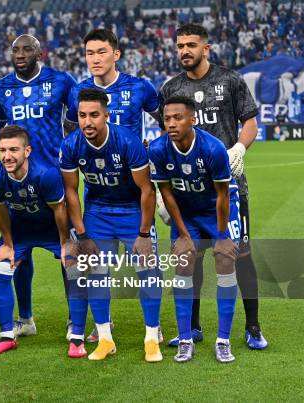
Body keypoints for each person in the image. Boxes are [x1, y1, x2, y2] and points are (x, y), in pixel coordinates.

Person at [159, 23, 267, 349]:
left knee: (240, 255)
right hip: (187, 193)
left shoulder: (229, 80)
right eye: (180, 46)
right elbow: (168, 133)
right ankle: (192, 328)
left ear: (206, 48)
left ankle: (253, 327)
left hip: (229, 187)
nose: (185, 51)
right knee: (190, 257)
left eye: (191, 45)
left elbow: (250, 121)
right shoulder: (171, 88)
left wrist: (239, 149)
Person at [66, 28, 161, 343]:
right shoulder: (77, 91)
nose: (95, 58)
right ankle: (102, 326)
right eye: (90, 53)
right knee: (97, 271)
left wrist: (153, 149)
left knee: (146, 266)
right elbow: (72, 130)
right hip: (98, 197)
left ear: (116, 54)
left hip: (136, 193)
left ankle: (154, 327)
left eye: (101, 52)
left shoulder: (139, 87)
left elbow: (166, 120)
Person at [0, 34, 76, 337]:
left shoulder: (62, 81)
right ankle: (25, 320)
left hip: (54, 180)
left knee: (69, 255)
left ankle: (74, 319)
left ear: (40, 53)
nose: (21, 54)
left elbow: (78, 117)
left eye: (27, 49)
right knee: (18, 256)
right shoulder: (1, 88)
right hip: (16, 184)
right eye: (16, 50)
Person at [149, 96, 241, 363]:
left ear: (193, 119)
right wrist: (184, 235)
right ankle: (186, 338)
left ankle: (223, 340)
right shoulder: (158, 149)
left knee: (225, 261)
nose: (172, 124)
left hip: (217, 210)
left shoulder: (213, 149)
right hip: (186, 212)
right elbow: (166, 194)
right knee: (183, 262)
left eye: (178, 118)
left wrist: (222, 237)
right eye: (167, 119)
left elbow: (223, 195)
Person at [0, 125, 70, 355]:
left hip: (51, 227)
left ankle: (75, 324)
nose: (7, 156)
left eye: (13, 150)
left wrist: (64, 243)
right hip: (19, 229)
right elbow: (0, 211)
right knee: (1, 268)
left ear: (27, 151)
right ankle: (12, 332)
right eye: (2, 150)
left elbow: (59, 210)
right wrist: (8, 244)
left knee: (71, 264)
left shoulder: (46, 174)